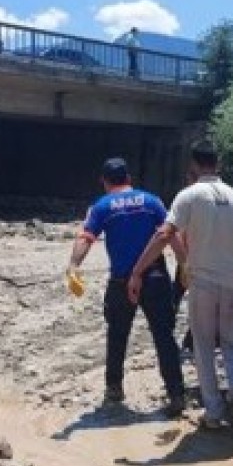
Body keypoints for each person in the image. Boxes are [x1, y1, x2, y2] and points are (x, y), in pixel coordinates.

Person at [129, 139, 233, 444]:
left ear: (193, 165)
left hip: (203, 283)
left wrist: (138, 270)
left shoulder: (188, 196)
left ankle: (214, 413)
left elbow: (166, 234)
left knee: (203, 346)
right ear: (219, 164)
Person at [67, 157, 186, 417]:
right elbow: (171, 235)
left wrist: (74, 266)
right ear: (129, 178)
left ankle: (114, 388)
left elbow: (86, 238)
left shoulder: (102, 206)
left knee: (117, 334)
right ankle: (176, 394)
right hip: (155, 277)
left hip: (121, 281)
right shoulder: (152, 201)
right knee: (164, 336)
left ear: (105, 181)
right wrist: (185, 264)